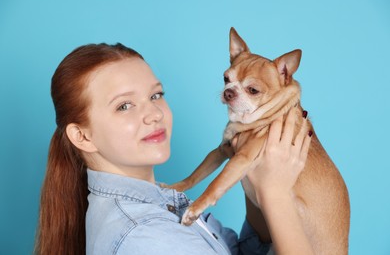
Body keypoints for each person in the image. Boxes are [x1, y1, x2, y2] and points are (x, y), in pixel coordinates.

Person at [35, 43, 313, 255]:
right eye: (124, 106)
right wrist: (275, 195)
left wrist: (255, 173)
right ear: (82, 136)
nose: (154, 113)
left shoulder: (162, 203)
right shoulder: (147, 237)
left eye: (155, 95)